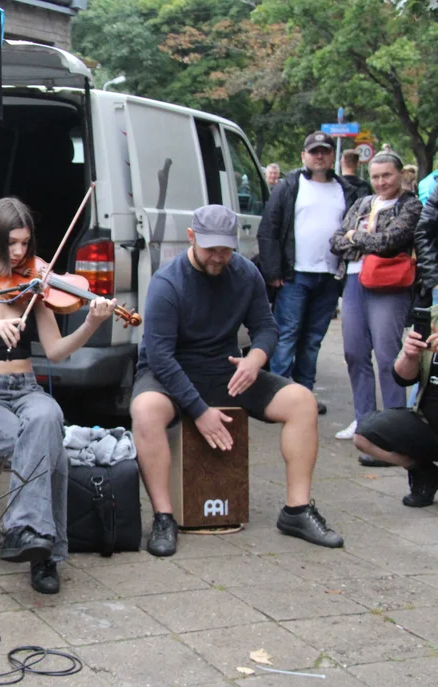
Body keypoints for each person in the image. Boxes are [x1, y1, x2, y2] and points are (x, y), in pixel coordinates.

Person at [131, 204, 343, 557]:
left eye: (226, 249)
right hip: (170, 373)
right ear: (191, 237)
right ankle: (164, 517)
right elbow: (160, 357)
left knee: (302, 402)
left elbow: (266, 327)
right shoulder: (167, 282)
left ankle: (297, 510)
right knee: (145, 409)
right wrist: (199, 411)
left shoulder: (246, 274)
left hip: (225, 371)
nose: (218, 257)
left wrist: (256, 359)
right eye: (210, 248)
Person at [0, 197, 115, 594]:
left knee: (47, 415)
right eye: (10, 243)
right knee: (51, 447)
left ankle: (27, 534)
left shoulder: (33, 285)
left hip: (26, 392)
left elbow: (56, 351)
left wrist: (91, 325)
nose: (18, 253)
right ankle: (46, 557)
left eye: (24, 244)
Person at [330, 151, 423, 459]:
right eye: (376, 176)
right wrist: (362, 237)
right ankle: (366, 422)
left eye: (387, 175)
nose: (381, 182)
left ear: (400, 175)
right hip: (354, 282)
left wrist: (356, 236)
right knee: (354, 352)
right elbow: (335, 240)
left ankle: (395, 428)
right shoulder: (362, 203)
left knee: (387, 355)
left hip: (389, 285)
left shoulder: (410, 205)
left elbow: (390, 242)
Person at [258, 131, 355, 415]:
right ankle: (277, 397)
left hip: (329, 277)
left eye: (324, 151)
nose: (320, 156)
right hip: (294, 275)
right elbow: (269, 230)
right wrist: (273, 271)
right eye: (314, 152)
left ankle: (305, 396)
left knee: (312, 340)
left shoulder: (344, 190)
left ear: (332, 156)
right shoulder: (289, 186)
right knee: (287, 335)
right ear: (304, 156)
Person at [354, 307, 438, 507]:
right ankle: (424, 471)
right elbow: (401, 378)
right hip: (428, 423)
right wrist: (410, 355)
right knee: (364, 436)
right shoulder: (432, 316)